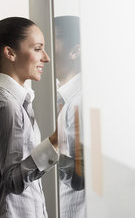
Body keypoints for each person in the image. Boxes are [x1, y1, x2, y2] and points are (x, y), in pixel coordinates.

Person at [0, 17, 59, 218]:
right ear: (10, 53)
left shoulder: (15, 102)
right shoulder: (6, 106)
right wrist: (55, 141)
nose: (46, 57)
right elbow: (13, 181)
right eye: (37, 49)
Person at [54, 15, 86, 218]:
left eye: (50, 41)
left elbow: (80, 175)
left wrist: (40, 153)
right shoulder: (59, 97)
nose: (41, 54)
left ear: (75, 51)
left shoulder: (80, 102)